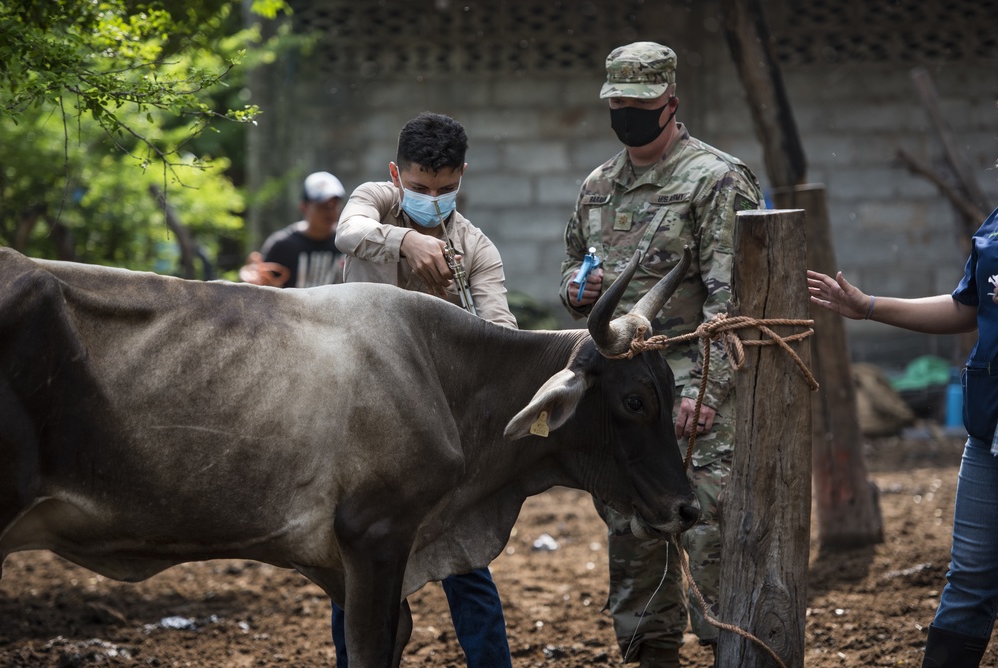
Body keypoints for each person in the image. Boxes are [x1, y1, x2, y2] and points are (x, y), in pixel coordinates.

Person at [558, 42, 762, 667]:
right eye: (617, 103)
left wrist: (706, 392)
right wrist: (576, 288)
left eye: (640, 104)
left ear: (671, 102)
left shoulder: (717, 179)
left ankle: (733, 648)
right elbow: (572, 268)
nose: (627, 114)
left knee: (707, 535)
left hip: (691, 391)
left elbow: (735, 306)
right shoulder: (598, 186)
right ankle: (652, 655)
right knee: (632, 536)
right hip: (623, 397)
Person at [331, 111, 516, 667]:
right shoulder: (375, 202)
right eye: (418, 188)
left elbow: (501, 333)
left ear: (462, 177)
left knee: (465, 563)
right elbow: (348, 231)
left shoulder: (476, 247)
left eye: (444, 189)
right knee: (359, 566)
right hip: (360, 421)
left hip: (439, 430)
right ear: (396, 175)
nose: (431, 198)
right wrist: (406, 240)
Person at [808, 205, 998, 668]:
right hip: (989, 430)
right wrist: (868, 307)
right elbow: (965, 306)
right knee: (969, 579)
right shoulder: (996, 222)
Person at [239, 170, 347, 288]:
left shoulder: (347, 244)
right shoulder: (283, 245)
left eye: (334, 205)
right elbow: (262, 286)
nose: (330, 212)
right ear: (304, 207)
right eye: (322, 206)